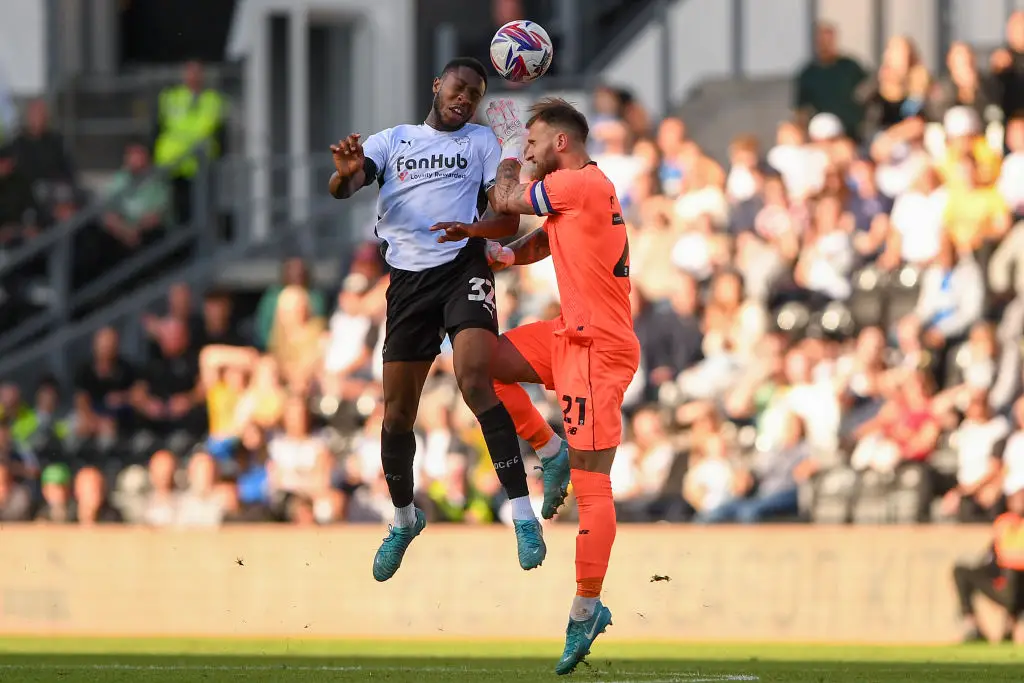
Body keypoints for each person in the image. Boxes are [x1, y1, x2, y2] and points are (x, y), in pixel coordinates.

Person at [327, 57, 568, 581]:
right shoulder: (393, 141)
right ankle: (403, 518)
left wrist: (475, 232)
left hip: (463, 267)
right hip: (408, 284)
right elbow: (345, 183)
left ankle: (522, 515)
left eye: (476, 94)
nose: (466, 99)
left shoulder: (482, 143)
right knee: (396, 414)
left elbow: (507, 217)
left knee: (477, 382)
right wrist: (344, 176)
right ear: (438, 85)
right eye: (459, 89)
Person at [433, 98, 640, 674]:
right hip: (568, 334)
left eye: (533, 143)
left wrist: (501, 148)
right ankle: (546, 448)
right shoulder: (585, 191)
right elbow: (545, 242)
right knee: (478, 361)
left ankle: (586, 607)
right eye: (522, 144)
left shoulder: (575, 183)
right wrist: (499, 254)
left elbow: (507, 200)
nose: (527, 152)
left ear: (563, 145)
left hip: (597, 349)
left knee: (593, 483)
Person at [952, 485, 1024, 643]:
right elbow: (993, 556)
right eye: (1016, 499)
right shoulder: (1003, 523)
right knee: (962, 571)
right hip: (1002, 580)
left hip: (1019, 584)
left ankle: (1009, 626)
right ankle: (972, 626)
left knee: (1015, 574)